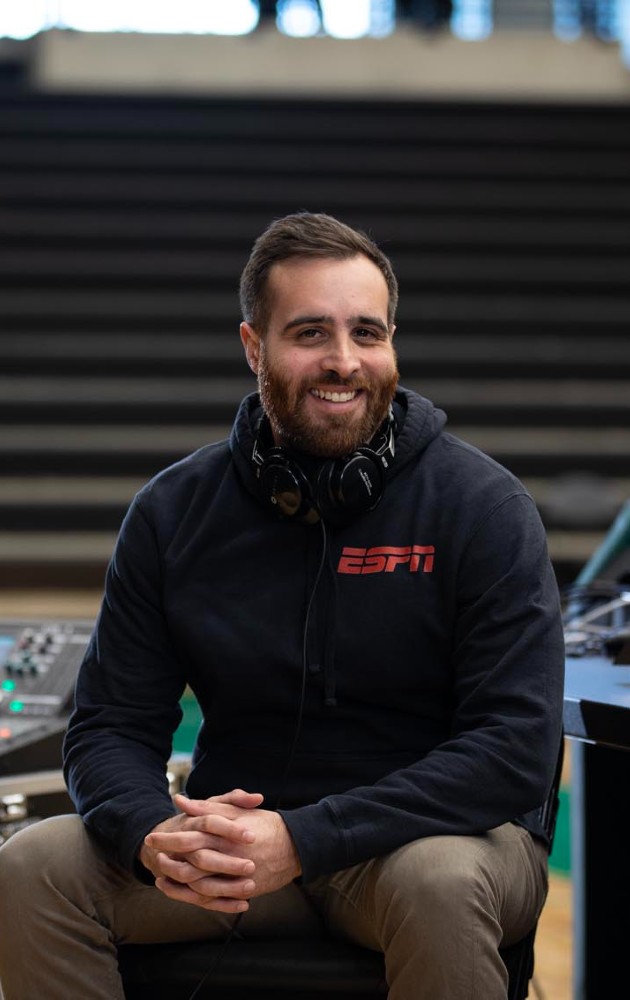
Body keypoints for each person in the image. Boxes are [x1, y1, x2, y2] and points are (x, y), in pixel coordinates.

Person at [0, 212, 565, 1000]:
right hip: (235, 859)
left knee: (440, 880)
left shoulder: (484, 507)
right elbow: (111, 724)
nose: (344, 361)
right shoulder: (172, 513)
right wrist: (150, 830)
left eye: (367, 333)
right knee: (34, 865)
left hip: (427, 844)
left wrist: (302, 838)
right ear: (253, 347)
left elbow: (513, 750)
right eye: (310, 333)